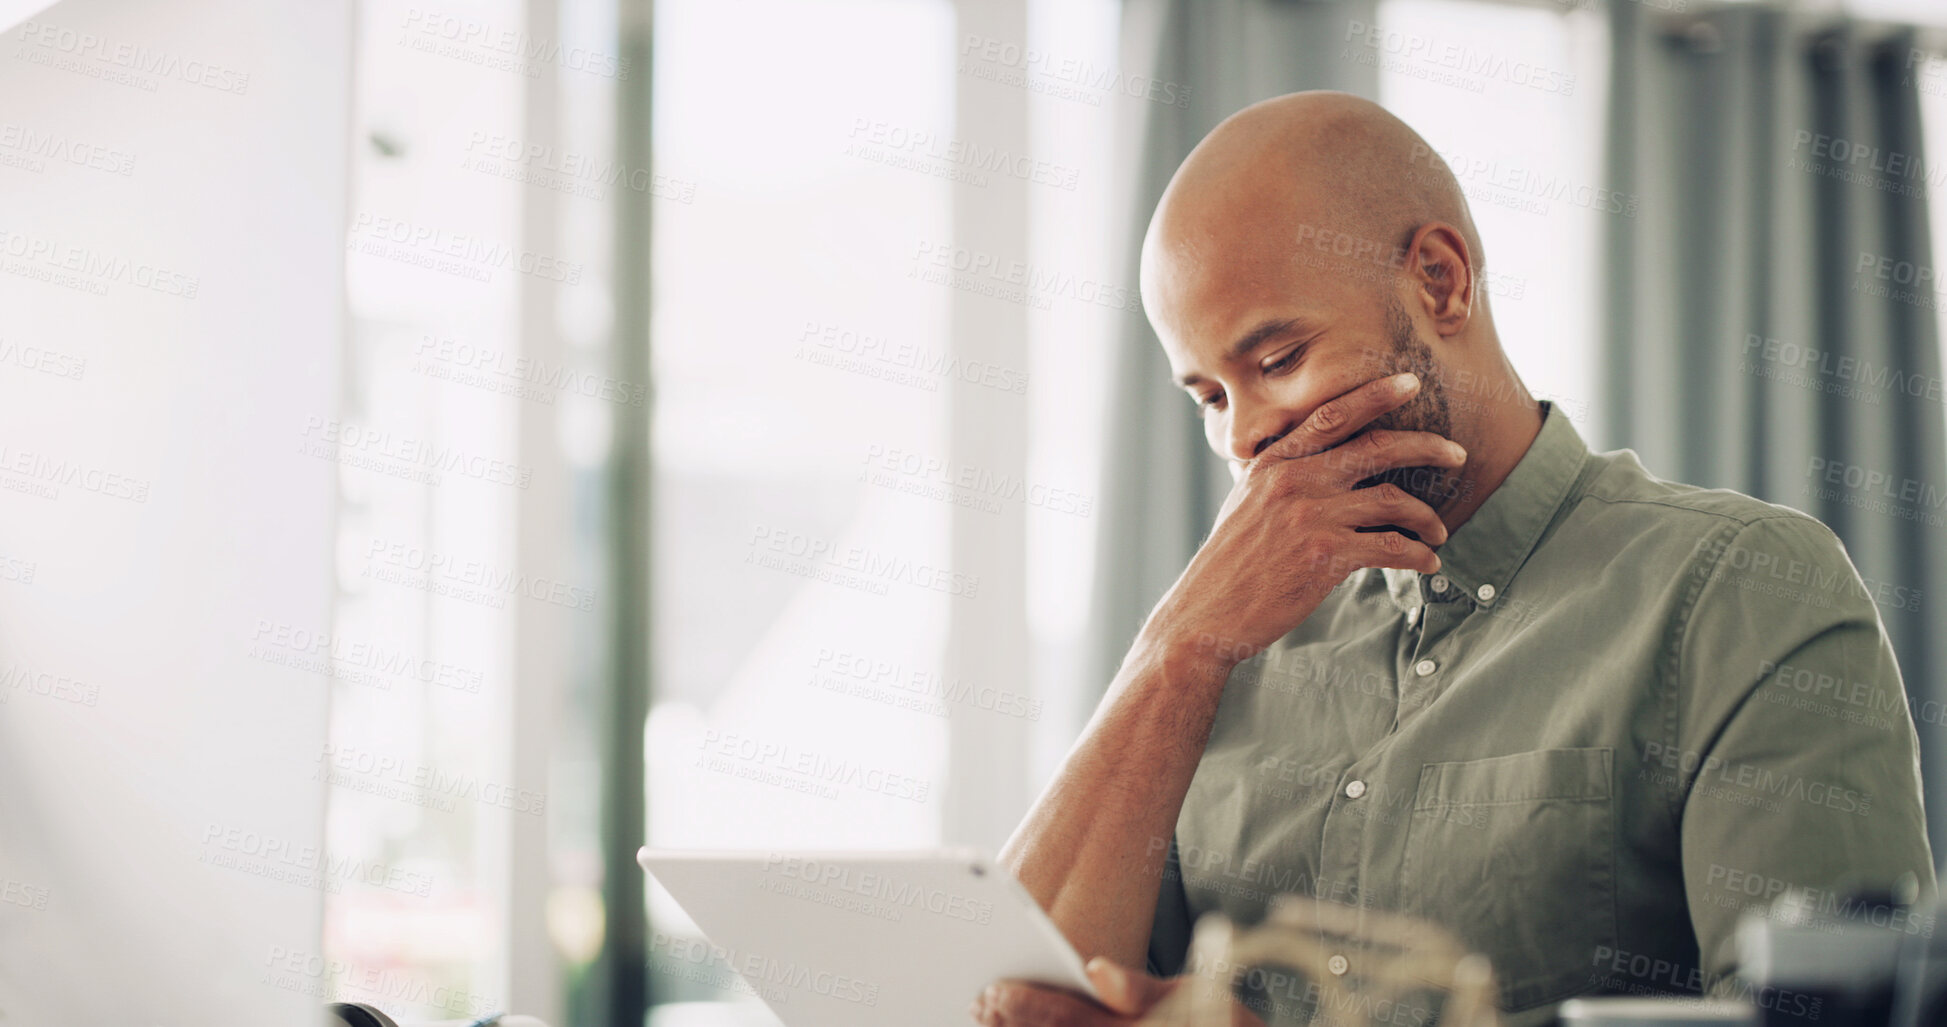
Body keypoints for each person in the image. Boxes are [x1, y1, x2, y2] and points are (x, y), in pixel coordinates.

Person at [970, 91, 1936, 1027]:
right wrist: (1177, 648)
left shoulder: (1744, 590)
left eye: (1278, 360)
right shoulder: (1218, 647)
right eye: (1211, 397)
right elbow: (1009, 1000)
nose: (1247, 437)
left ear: (1440, 281)